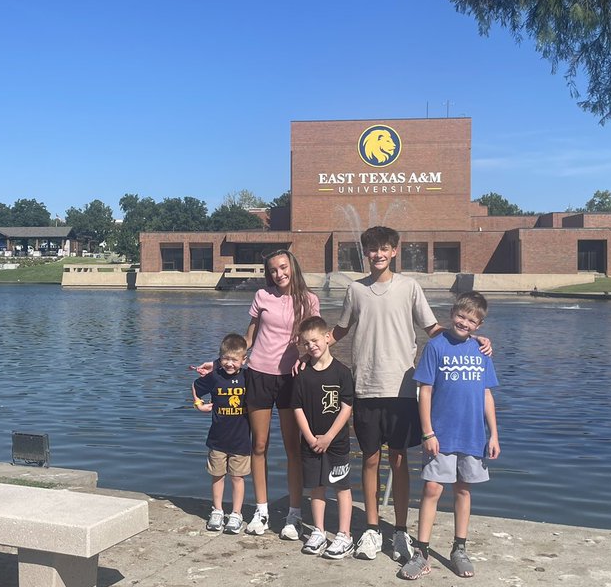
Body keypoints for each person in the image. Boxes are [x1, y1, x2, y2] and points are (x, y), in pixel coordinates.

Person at [330, 226, 491, 563]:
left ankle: (401, 531)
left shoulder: (409, 287)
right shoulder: (355, 291)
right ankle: (372, 528)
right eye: (372, 249)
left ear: (394, 250)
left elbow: (432, 328)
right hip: (365, 387)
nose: (378, 255)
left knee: (399, 459)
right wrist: (311, 350)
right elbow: (341, 330)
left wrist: (470, 338)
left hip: (402, 389)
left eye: (384, 248)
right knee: (370, 459)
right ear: (366, 253)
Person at [196, 249, 320, 538]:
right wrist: (218, 364)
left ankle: (293, 514)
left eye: (283, 267)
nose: (279, 274)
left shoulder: (309, 300)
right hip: (259, 375)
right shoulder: (263, 297)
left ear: (293, 266)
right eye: (273, 270)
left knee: (293, 447)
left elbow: (314, 341)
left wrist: (310, 361)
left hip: (291, 378)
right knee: (259, 445)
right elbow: (247, 340)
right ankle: (261, 511)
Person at [399, 291, 499, 579]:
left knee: (463, 489)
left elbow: (486, 394)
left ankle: (459, 548)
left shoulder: (481, 351)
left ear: (479, 326)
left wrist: (493, 434)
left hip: (472, 435)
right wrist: (428, 431)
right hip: (440, 435)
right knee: (432, 489)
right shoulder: (436, 347)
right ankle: (421, 552)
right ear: (451, 314)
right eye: (460, 316)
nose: (464, 322)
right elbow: (425, 391)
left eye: (471, 320)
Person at [291, 316, 355, 558]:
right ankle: (318, 531)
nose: (311, 346)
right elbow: (297, 407)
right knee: (316, 486)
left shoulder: (342, 372)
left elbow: (347, 406)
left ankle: (344, 535)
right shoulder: (302, 373)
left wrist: (328, 436)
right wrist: (308, 437)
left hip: (336, 442)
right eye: (306, 343)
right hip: (310, 443)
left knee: (341, 486)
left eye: (315, 340)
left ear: (328, 337)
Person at [192, 333, 252, 534]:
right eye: (225, 358)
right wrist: (198, 404)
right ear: (220, 358)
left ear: (244, 360)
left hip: (241, 440)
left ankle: (236, 513)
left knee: (238, 477)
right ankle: (217, 510)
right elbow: (195, 386)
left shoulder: (248, 377)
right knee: (217, 475)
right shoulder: (215, 377)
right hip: (217, 439)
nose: (229, 363)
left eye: (235, 360)